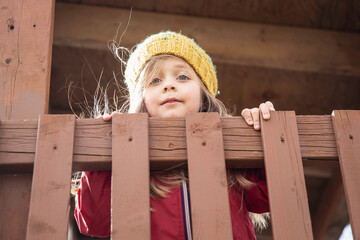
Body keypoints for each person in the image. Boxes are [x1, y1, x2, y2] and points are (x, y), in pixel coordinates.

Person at [74, 31, 275, 240]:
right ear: (141, 99)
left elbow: (269, 197)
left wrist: (260, 132)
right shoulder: (129, 159)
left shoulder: (229, 147)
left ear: (203, 93)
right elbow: (95, 222)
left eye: (182, 77)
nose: (168, 85)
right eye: (154, 80)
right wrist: (105, 151)